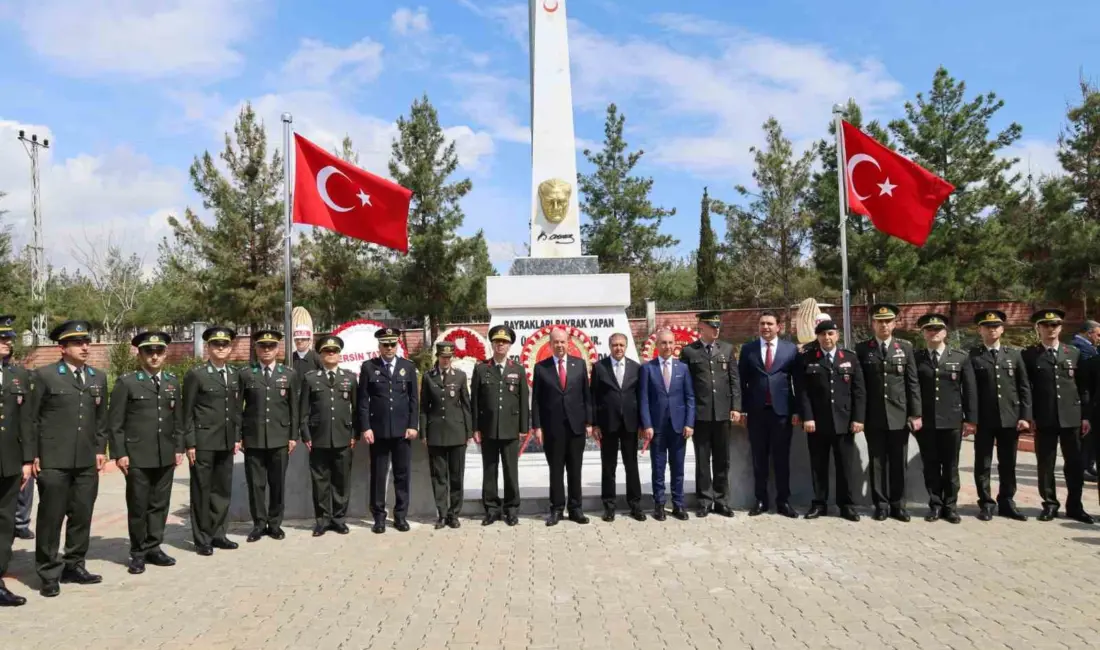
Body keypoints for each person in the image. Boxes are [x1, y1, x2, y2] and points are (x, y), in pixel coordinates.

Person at [27, 319, 108, 598]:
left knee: (82, 515)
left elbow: (101, 420)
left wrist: (100, 450)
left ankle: (75, 565)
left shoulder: (98, 377)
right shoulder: (45, 376)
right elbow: (32, 419)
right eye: (77, 342)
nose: (85, 347)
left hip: (86, 460)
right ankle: (49, 572)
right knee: (51, 517)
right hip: (54, 460)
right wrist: (34, 454)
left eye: (86, 341)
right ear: (62, 347)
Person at [107, 331, 185, 575]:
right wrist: (120, 453)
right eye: (148, 351)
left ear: (165, 354)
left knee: (160, 504)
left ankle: (154, 547)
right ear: (139, 354)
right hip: (138, 455)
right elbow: (115, 422)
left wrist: (179, 447)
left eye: (159, 351)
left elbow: (179, 420)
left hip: (165, 454)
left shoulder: (172, 382)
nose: (154, 356)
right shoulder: (128, 382)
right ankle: (138, 552)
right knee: (139, 505)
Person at [1023, 309, 1094, 524]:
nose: (1050, 329)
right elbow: (1026, 388)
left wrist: (1085, 416)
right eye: (1045, 325)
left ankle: (1075, 506)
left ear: (1060, 328)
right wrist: (1029, 416)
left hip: (1072, 417)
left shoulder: (1073, 353)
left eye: (1054, 325)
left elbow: (1084, 388)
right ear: (1038, 328)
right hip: (1044, 418)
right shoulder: (1029, 355)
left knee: (1074, 464)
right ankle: (1050, 505)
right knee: (1046, 465)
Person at [855, 303, 922, 522]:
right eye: (879, 321)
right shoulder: (863, 349)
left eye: (887, 321)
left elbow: (912, 383)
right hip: (873, 416)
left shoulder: (906, 348)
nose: (883, 325)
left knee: (897, 462)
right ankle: (881, 504)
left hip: (899, 415)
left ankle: (898, 505)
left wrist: (915, 413)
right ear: (872, 324)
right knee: (877, 462)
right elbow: (860, 386)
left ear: (894, 323)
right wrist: (859, 416)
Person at [795, 320, 864, 522]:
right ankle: (819, 504)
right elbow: (803, 392)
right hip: (817, 423)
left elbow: (859, 391)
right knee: (818, 466)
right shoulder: (808, 359)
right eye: (823, 334)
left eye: (831, 334)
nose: (827, 338)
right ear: (817, 337)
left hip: (844, 422)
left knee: (845, 466)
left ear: (837, 336)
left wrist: (858, 418)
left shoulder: (849, 358)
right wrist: (807, 417)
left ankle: (846, 505)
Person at [183, 325, 242, 556]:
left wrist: (237, 436)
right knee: (201, 490)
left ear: (230, 348)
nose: (221, 348)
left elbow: (236, 409)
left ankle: (219, 534)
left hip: (226, 440)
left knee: (222, 490)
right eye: (216, 344)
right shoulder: (196, 375)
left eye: (225, 344)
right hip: (203, 441)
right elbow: (186, 412)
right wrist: (189, 442)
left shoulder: (235, 374)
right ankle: (202, 538)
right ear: (208, 347)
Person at [913, 314, 976, 524]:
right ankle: (935, 505)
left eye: (938, 329)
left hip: (952, 420)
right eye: (929, 329)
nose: (934, 333)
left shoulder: (960, 357)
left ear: (945, 332)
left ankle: (950, 506)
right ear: (923, 333)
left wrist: (970, 419)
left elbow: (969, 389)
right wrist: (914, 415)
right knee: (930, 465)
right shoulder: (917, 358)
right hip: (926, 422)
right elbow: (912, 389)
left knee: (951, 466)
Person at [969, 311, 1031, 521]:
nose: (992, 329)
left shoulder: (1014, 355)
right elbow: (969, 391)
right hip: (984, 420)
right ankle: (985, 502)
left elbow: (1023, 388)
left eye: (996, 325)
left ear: (1002, 329)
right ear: (980, 330)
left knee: (1008, 463)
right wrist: (970, 419)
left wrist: (1025, 416)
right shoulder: (973, 355)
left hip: (1010, 418)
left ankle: (1007, 501)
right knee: (983, 463)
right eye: (987, 326)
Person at [239, 329, 299, 543]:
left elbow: (294, 408)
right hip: (253, 438)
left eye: (271, 346)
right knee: (256, 484)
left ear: (277, 349)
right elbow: (238, 408)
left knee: (277, 483)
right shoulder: (246, 374)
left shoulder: (288, 374)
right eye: (262, 346)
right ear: (256, 349)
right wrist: (240, 436)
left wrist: (293, 436)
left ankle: (274, 524)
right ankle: (258, 525)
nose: (266, 350)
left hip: (280, 437)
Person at [738, 310, 799, 518]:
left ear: (778, 327)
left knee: (782, 459)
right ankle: (761, 500)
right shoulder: (748, 349)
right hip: (756, 413)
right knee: (759, 459)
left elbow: (797, 382)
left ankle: (783, 501)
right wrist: (743, 410)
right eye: (762, 324)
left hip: (782, 413)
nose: (766, 327)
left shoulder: (790, 350)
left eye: (770, 324)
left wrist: (797, 411)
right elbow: (741, 382)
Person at [679, 311, 740, 518]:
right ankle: (704, 500)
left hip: (723, 413)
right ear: (701, 328)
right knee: (703, 460)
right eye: (712, 327)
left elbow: (734, 381)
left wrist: (736, 407)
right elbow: (685, 386)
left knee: (723, 459)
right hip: (701, 413)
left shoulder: (727, 349)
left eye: (718, 327)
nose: (716, 330)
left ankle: (722, 500)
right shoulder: (689, 352)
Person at [358, 327, 418, 534]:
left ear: (398, 345)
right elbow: (363, 401)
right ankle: (379, 517)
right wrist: (365, 427)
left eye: (393, 344)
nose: (389, 348)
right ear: (379, 346)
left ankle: (400, 516)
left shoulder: (407, 367)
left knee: (402, 475)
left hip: (402, 431)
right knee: (378, 475)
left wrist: (413, 425)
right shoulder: (368, 368)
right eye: (386, 344)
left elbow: (413, 400)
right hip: (378, 431)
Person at [532, 327, 593, 526]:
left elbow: (586, 396)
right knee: (556, 471)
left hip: (576, 427)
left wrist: (589, 422)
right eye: (556, 342)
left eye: (563, 342)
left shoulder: (579, 364)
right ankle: (556, 509)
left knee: (575, 470)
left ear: (569, 343)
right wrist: (537, 427)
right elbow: (537, 402)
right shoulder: (541, 368)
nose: (559, 345)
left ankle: (576, 509)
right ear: (550, 344)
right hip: (552, 429)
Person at [300, 335, 358, 537]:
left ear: (339, 355)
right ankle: (322, 520)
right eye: (327, 351)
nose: (331, 354)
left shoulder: (349, 378)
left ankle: (339, 519)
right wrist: (306, 435)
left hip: (343, 437)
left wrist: (354, 434)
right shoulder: (310, 378)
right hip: (318, 438)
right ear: (321, 354)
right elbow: (304, 411)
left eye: (334, 351)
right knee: (320, 481)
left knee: (341, 481)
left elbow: (357, 410)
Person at [471, 325, 527, 527]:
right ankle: (492, 509)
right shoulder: (481, 369)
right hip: (488, 429)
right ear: (492, 344)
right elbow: (475, 401)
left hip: (511, 429)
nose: (500, 345)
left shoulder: (517, 369)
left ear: (510, 345)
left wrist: (523, 428)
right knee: (490, 470)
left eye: (504, 342)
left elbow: (523, 401)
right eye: (497, 342)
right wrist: (475, 428)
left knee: (511, 471)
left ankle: (512, 509)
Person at [640, 328, 695, 521]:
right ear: (657, 345)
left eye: (670, 343)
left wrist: (690, 423)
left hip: (679, 427)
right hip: (657, 428)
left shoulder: (683, 368)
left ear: (675, 345)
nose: (667, 347)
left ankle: (678, 505)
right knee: (658, 468)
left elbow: (690, 398)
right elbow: (644, 400)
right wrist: (647, 424)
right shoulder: (648, 368)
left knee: (678, 468)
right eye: (663, 343)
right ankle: (660, 505)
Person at [591, 332, 645, 522]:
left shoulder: (636, 368)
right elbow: (593, 397)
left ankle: (635, 505)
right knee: (609, 467)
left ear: (627, 346)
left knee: (632, 466)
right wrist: (594, 424)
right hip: (608, 424)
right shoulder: (599, 368)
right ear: (609, 346)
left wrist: (642, 423)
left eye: (622, 345)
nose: (618, 348)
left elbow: (641, 397)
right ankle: (609, 506)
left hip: (630, 425)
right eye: (615, 345)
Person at [419, 341, 472, 530]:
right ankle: (441, 514)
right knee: (439, 476)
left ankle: (454, 514)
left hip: (457, 432)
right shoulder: (428, 377)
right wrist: (423, 432)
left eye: (449, 357)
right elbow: (424, 407)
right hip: (436, 433)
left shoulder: (459, 376)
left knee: (456, 475)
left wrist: (469, 431)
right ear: (438, 357)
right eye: (443, 357)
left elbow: (466, 404)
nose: (446, 360)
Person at [0, 314, 32, 606]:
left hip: (9, 462)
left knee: (5, 522)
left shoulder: (18, 375)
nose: (7, 342)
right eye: (1, 338)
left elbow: (26, 421)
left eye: (8, 338)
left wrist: (27, 461)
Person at [1070, 320, 1100, 482]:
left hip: (1089, 397)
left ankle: (1087, 465)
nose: (1098, 338)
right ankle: (1085, 466)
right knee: (1086, 437)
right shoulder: (1081, 349)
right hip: (1085, 398)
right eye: (1098, 334)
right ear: (1089, 333)